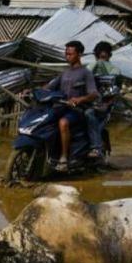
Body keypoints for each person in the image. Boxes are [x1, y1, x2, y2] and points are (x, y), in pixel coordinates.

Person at [46, 40, 98, 171]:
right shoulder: (64, 72)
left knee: (63, 123)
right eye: (66, 53)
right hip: (61, 108)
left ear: (79, 54)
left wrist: (80, 99)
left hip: (77, 110)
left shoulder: (86, 73)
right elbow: (49, 86)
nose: (67, 56)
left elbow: (94, 93)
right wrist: (34, 91)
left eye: (70, 54)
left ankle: (63, 158)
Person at [86, 41, 121, 160]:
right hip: (87, 102)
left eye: (104, 57)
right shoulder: (89, 68)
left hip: (103, 105)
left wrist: (107, 104)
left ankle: (97, 148)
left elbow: (115, 91)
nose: (101, 60)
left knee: (90, 115)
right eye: (99, 56)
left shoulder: (114, 71)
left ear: (109, 56)